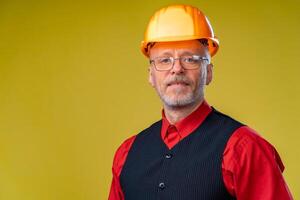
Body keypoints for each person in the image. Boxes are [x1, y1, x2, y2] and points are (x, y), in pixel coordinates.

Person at [108, 4, 293, 200]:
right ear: (151, 76)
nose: (177, 69)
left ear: (209, 73)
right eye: (164, 60)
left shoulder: (244, 148)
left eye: (190, 59)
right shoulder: (126, 154)